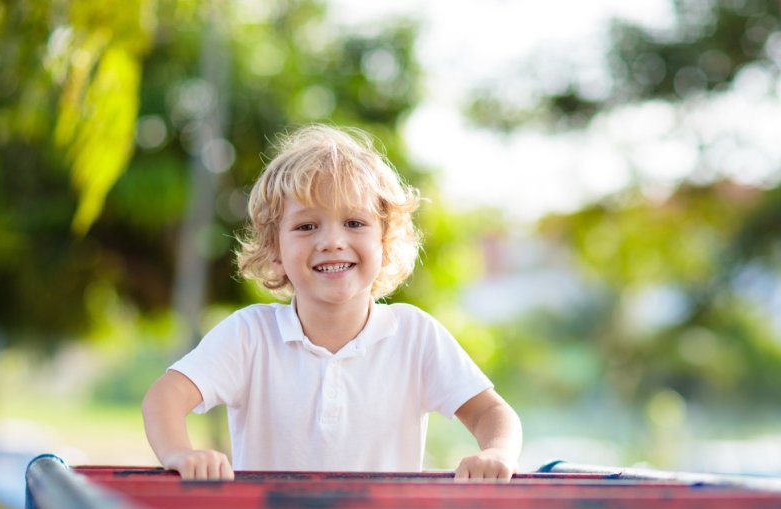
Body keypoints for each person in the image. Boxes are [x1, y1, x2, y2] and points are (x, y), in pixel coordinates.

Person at [142, 124, 522, 481]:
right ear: (275, 250)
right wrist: (180, 453)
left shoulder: (415, 335)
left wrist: (498, 453)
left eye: (354, 223)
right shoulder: (249, 335)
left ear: (385, 242)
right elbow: (165, 397)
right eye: (306, 226)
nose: (332, 242)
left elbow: (490, 412)